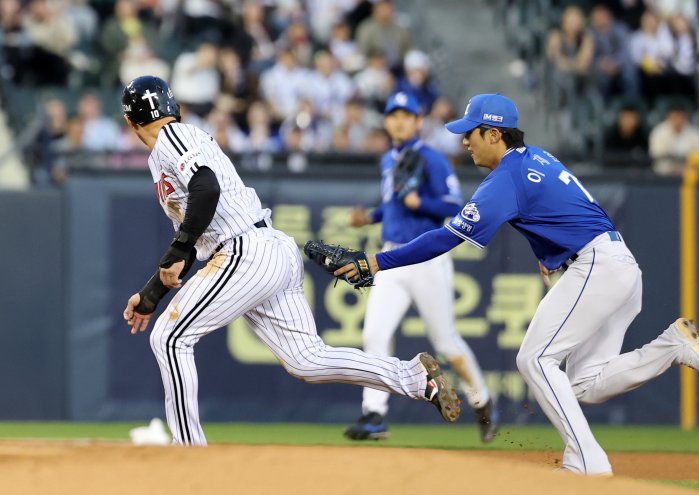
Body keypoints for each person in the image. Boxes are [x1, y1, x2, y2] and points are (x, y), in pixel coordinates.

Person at [334, 93, 699, 475]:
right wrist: (549, 254)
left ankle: (587, 462)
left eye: (470, 132)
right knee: (584, 384)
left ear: (494, 134)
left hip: (595, 265)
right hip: (616, 263)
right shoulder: (537, 157)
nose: (464, 140)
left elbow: (445, 238)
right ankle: (672, 346)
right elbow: (564, 209)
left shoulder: (505, 178)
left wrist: (376, 261)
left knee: (534, 359)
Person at [119, 76, 460, 445]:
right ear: (175, 106)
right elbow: (193, 230)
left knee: (170, 338)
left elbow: (206, 189)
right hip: (266, 249)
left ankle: (189, 454)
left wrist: (177, 250)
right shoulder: (172, 149)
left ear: (130, 122)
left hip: (244, 250)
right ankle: (413, 377)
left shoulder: (174, 137)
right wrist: (151, 293)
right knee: (307, 360)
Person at [345, 92, 497, 442]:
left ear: (417, 121)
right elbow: (392, 205)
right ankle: (374, 414)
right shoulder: (388, 159)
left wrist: (420, 202)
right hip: (391, 259)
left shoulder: (433, 158)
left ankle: (482, 400)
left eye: (406, 115)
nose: (399, 120)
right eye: (393, 114)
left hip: (427, 258)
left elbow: (453, 204)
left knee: (445, 340)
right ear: (386, 121)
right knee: (375, 334)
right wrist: (369, 217)